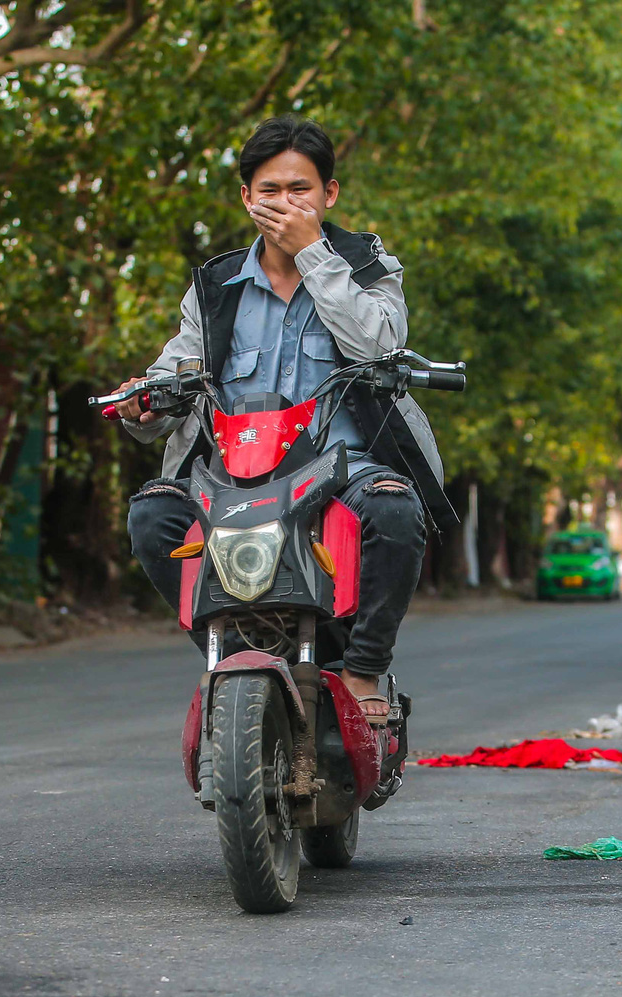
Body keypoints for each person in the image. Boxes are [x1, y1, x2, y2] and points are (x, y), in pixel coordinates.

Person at [116, 116, 456, 723]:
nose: (285, 203)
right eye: (269, 190)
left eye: (301, 189)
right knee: (152, 515)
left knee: (396, 511)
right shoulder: (215, 285)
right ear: (246, 197)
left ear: (330, 194)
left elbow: (380, 344)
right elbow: (174, 375)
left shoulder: (367, 263)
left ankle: (362, 671)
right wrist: (143, 403)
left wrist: (313, 255)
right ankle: (228, 659)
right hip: (235, 475)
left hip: (345, 468)